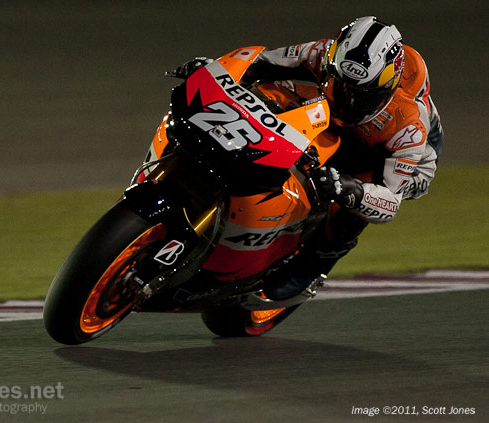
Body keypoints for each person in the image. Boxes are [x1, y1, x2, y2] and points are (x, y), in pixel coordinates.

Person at [172, 16, 444, 299]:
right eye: (342, 85)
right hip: (329, 116)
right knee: (272, 92)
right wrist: (215, 71)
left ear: (387, 87)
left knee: (349, 211)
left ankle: (315, 264)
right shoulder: (322, 53)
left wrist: (348, 189)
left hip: (398, 160)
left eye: (362, 95)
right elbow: (262, 62)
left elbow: (390, 203)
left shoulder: (409, 125)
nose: (349, 100)